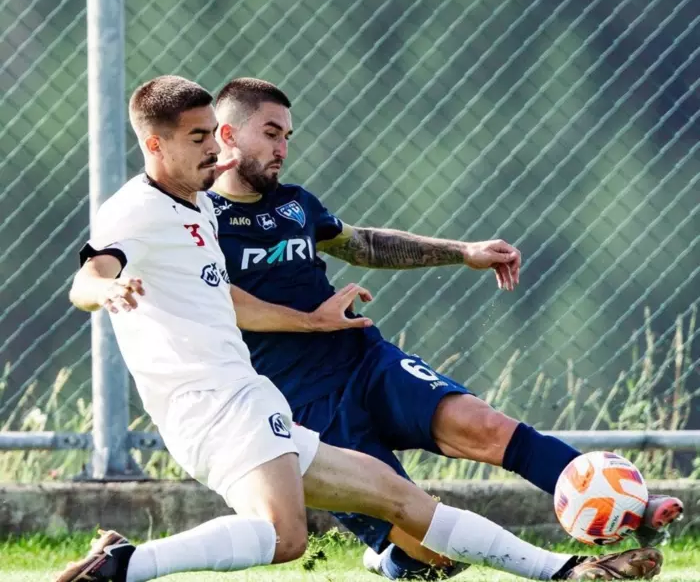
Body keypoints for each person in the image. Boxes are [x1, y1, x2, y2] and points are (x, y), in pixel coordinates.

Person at [56, 75, 663, 582]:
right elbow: (90, 275)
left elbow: (271, 281)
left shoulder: (224, 205)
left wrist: (453, 256)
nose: (217, 148)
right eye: (203, 137)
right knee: (296, 538)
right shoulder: (141, 210)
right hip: (240, 403)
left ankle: (570, 570)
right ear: (159, 143)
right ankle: (128, 564)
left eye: (216, 134)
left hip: (277, 388)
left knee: (410, 494)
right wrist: (106, 290)